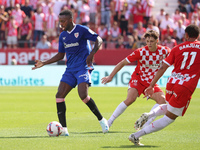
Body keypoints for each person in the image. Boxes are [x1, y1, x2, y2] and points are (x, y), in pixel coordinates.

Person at [32, 9, 109, 135]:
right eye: (59, 21)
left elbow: (99, 39)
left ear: (70, 20)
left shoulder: (82, 30)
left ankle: (101, 120)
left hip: (83, 67)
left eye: (62, 21)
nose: (60, 24)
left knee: (83, 95)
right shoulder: (63, 35)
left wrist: (92, 53)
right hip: (70, 69)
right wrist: (44, 62)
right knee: (59, 96)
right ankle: (64, 130)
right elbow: (60, 55)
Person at [129, 24, 200, 146]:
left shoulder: (177, 49)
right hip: (185, 86)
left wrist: (151, 85)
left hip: (172, 83)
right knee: (169, 118)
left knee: (169, 106)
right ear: (198, 36)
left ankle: (151, 114)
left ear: (186, 35)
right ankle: (136, 135)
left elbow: (162, 68)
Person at [101, 30, 171, 128]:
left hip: (151, 83)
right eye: (147, 41)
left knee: (162, 101)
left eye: (151, 41)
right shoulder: (141, 52)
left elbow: (176, 59)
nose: (149, 43)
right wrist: (110, 76)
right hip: (138, 79)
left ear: (157, 40)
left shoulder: (165, 51)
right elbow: (122, 63)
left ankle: (146, 123)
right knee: (130, 99)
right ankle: (110, 122)